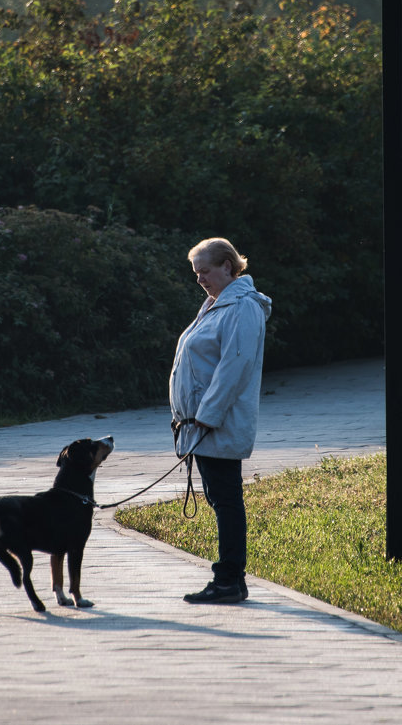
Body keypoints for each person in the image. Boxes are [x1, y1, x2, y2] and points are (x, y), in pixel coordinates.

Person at [169, 237, 272, 604]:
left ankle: (229, 580)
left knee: (226, 500)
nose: (199, 280)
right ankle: (230, 579)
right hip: (202, 426)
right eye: (196, 273)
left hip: (215, 424)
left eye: (205, 271)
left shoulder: (242, 307)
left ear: (228, 266)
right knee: (221, 499)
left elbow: (233, 370)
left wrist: (206, 419)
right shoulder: (217, 304)